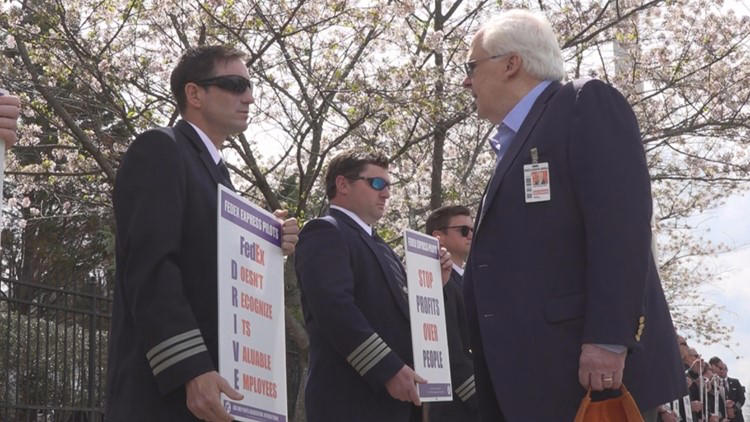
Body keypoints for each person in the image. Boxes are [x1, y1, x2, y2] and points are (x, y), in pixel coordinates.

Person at [460, 9, 686, 421]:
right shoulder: (513, 143)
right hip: (534, 379)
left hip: (586, 379)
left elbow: (620, 227)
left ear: (512, 63)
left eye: (471, 66)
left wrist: (609, 339)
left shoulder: (583, 104)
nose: (465, 80)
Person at [106, 45, 299, 422]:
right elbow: (152, 265)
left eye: (250, 85)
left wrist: (267, 241)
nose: (249, 96)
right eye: (234, 83)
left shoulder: (217, 177)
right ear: (194, 94)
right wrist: (190, 367)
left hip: (216, 392)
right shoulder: (161, 148)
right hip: (168, 396)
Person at [294, 149, 453, 422]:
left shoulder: (383, 249)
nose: (386, 193)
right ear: (343, 184)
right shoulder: (325, 231)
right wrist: (387, 368)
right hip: (350, 401)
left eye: (388, 185)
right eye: (376, 183)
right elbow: (335, 309)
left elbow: (396, 315)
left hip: (394, 403)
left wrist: (433, 287)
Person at [425, 205, 478, 422]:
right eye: (463, 230)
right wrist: (477, 398)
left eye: (473, 230)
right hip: (458, 406)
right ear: (440, 237)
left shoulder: (470, 282)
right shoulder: (437, 283)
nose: (471, 235)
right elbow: (449, 348)